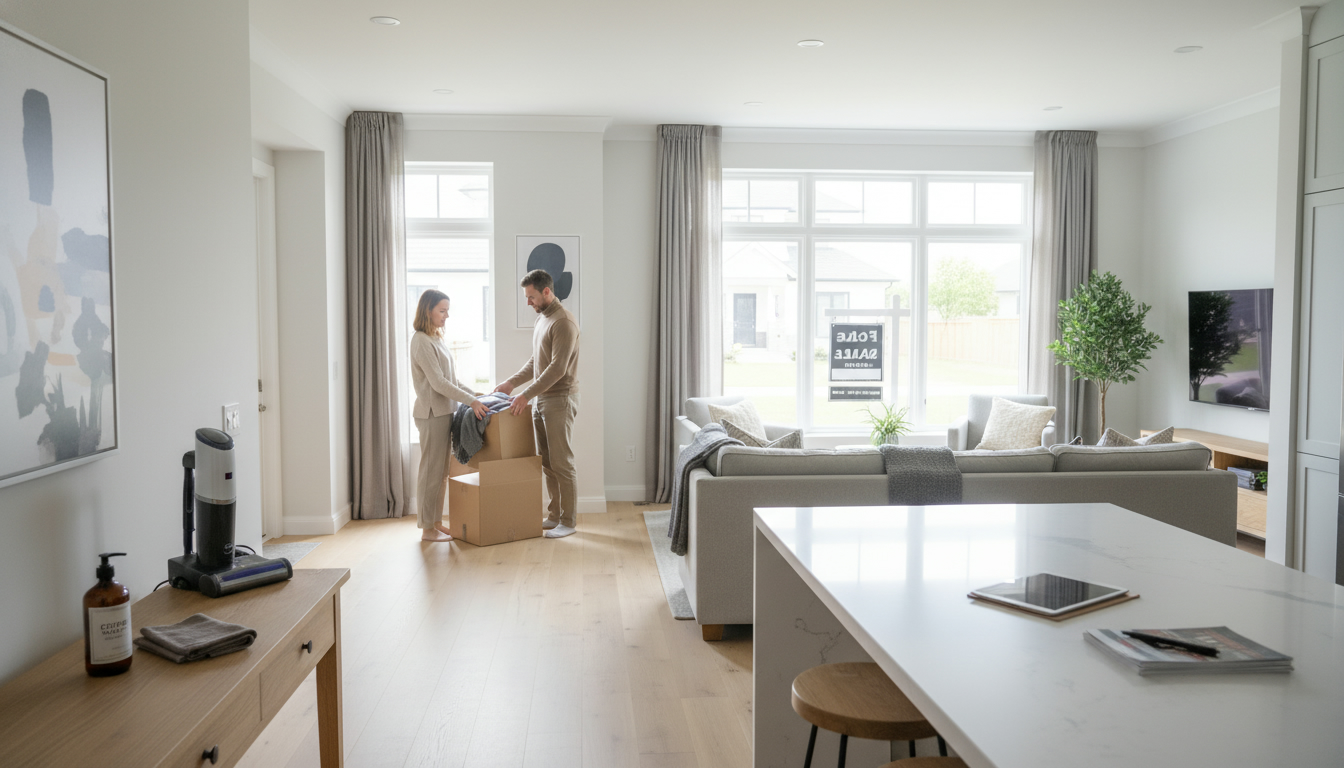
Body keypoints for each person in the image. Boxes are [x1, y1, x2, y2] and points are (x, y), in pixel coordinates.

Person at [496, 269, 581, 538]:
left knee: (562, 462)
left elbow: (557, 368)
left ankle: (568, 522)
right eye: (526, 297)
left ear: (546, 291)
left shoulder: (563, 322)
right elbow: (536, 361)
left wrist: (525, 395)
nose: (528, 302)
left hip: (560, 399)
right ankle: (554, 516)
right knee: (547, 462)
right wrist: (511, 384)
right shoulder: (543, 319)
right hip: (543, 399)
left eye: (531, 297)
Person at [411, 290, 488, 542]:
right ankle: (427, 530)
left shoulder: (436, 338)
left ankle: (435, 522)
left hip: (444, 412)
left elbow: (452, 381)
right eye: (442, 311)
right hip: (431, 414)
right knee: (431, 472)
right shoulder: (421, 341)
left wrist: (476, 395)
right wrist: (471, 400)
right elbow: (439, 383)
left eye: (447, 310)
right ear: (428, 311)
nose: (446, 316)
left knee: (441, 472)